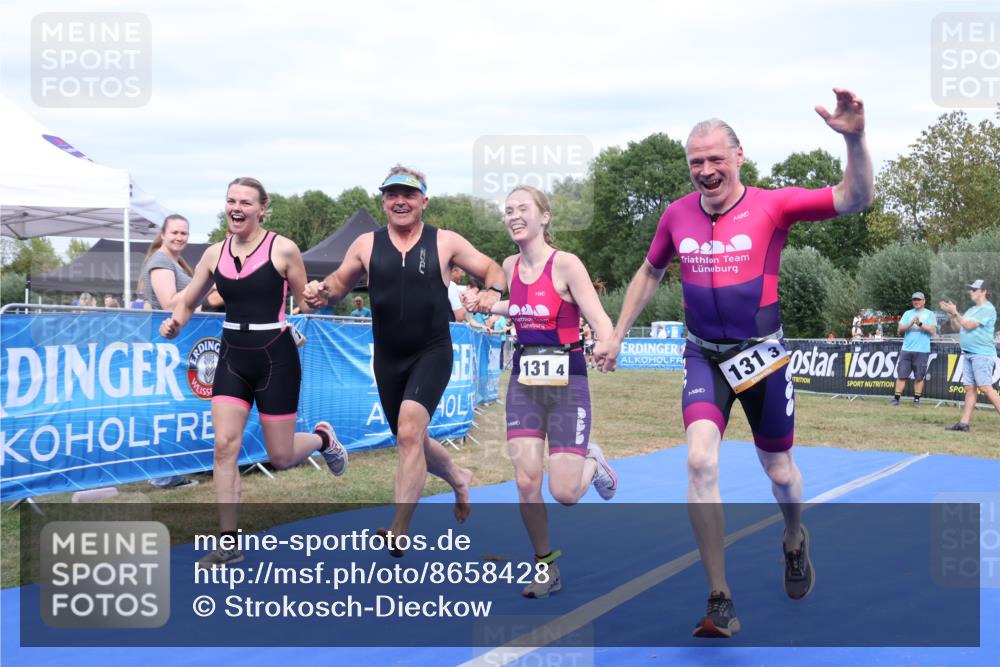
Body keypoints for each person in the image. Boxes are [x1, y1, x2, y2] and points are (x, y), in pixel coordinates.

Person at [595, 88, 873, 638]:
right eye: (696, 162)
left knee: (780, 472)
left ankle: (794, 537)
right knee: (699, 462)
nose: (705, 170)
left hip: (762, 357)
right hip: (703, 355)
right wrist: (618, 332)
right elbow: (650, 273)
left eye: (715, 159)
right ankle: (719, 597)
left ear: (739, 156)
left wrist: (855, 138)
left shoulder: (775, 205)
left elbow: (855, 197)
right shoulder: (676, 215)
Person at [303, 165, 506, 555]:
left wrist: (492, 292)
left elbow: (491, 269)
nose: (400, 201)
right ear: (383, 201)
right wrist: (319, 291)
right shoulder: (365, 244)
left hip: (432, 350)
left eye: (409, 194)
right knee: (411, 438)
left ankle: (398, 527)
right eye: (392, 194)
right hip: (388, 357)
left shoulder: (445, 241)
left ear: (423, 202)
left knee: (410, 433)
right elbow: (338, 285)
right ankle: (459, 477)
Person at [160, 177, 349, 566]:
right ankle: (229, 542)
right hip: (232, 354)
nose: (237, 207)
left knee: (280, 456)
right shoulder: (214, 254)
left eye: (245, 202)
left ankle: (321, 439)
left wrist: (315, 295)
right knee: (224, 445)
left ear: (262, 209)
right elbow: (189, 301)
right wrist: (176, 322)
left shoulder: (283, 249)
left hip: (274, 355)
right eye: (231, 200)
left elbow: (306, 303)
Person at [464, 185, 617, 598]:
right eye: (508, 210)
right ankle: (545, 566)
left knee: (564, 493)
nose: (513, 215)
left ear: (544, 217)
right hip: (525, 383)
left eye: (522, 208)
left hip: (569, 382)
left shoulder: (566, 264)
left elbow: (598, 317)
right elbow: (518, 306)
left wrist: (607, 342)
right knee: (527, 480)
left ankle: (594, 463)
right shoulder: (510, 265)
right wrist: (484, 304)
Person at [940, 279, 1000, 431]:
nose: (971, 292)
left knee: (986, 388)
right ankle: (964, 424)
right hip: (968, 354)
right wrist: (952, 315)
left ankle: (964, 423)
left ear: (984, 291)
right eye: (971, 289)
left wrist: (956, 312)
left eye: (974, 289)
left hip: (981, 354)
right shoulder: (971, 310)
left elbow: (968, 325)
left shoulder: (988, 309)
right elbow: (958, 327)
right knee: (970, 389)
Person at [138, 214, 224, 312]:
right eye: (174, 233)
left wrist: (211, 284)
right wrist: (202, 282)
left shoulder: (176, 262)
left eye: (183, 233)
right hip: (167, 325)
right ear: (163, 234)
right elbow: (169, 306)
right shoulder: (161, 261)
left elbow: (193, 297)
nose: (179, 238)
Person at [891, 291, 936, 407]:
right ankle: (896, 399)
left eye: (919, 299)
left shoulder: (930, 314)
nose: (916, 301)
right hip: (906, 349)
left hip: (922, 350)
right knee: (901, 375)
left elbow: (932, 331)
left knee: (919, 377)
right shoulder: (907, 313)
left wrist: (920, 323)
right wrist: (911, 324)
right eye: (914, 300)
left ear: (924, 301)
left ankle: (916, 400)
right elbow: (899, 330)